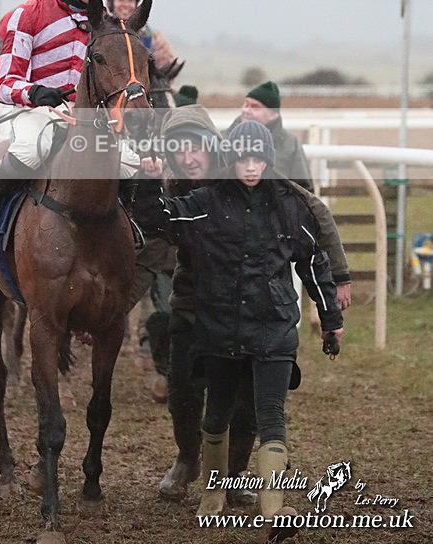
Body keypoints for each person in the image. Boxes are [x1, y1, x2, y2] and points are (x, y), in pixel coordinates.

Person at [136, 119, 343, 535]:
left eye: (258, 159)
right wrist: (147, 179)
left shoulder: (289, 205)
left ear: (267, 160)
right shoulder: (205, 202)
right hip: (219, 331)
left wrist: (330, 321)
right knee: (215, 416)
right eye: (243, 159)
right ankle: (213, 492)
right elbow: (157, 219)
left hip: (274, 329)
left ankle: (273, 511)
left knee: (271, 416)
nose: (251, 167)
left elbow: (314, 261)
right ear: (230, 160)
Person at [0, 0, 130, 258]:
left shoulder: (107, 24)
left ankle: (137, 231)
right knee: (28, 150)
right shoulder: (27, 14)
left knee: (130, 162)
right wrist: (36, 93)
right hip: (38, 112)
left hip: (89, 118)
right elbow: (5, 82)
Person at [229, 81, 313, 191]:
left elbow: (304, 191)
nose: (246, 110)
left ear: (273, 114)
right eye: (246, 104)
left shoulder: (291, 145)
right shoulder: (223, 139)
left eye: (255, 107)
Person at [106, 0, 177, 69]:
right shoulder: (101, 32)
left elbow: (168, 69)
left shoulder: (152, 37)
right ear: (111, 3)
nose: (126, 5)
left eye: (130, 0)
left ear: (136, 4)